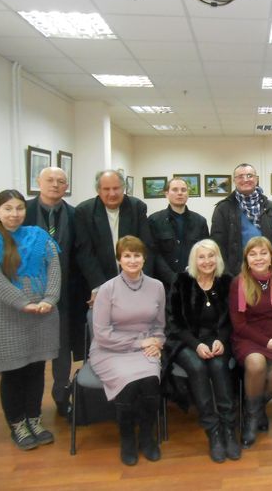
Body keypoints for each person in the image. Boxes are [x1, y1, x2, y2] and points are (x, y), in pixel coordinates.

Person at [0, 190, 60, 450]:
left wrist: (50, 298)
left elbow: (54, 268)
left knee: (36, 371)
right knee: (13, 374)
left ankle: (34, 420)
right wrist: (23, 303)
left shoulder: (39, 235)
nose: (14, 214)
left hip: (43, 315)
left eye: (19, 208)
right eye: (8, 208)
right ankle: (18, 425)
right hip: (7, 318)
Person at [90, 236, 165, 465]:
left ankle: (147, 437)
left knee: (151, 380)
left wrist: (157, 342)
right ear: (119, 259)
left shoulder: (157, 286)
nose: (132, 260)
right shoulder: (107, 289)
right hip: (109, 349)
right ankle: (127, 439)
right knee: (129, 383)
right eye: (127, 256)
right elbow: (102, 334)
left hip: (146, 346)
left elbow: (160, 326)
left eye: (137, 255)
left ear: (144, 258)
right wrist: (138, 343)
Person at [166, 239, 239, 463]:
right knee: (197, 367)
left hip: (218, 340)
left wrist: (221, 340)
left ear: (218, 258)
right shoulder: (181, 281)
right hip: (186, 340)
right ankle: (213, 431)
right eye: (201, 257)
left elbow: (233, 319)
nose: (207, 261)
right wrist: (195, 344)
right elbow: (174, 323)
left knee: (218, 365)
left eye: (211, 256)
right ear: (194, 260)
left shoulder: (227, 281)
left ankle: (229, 428)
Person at [24, 167, 85, 417]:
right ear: (38, 182)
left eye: (61, 181)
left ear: (66, 186)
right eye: (49, 180)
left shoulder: (75, 215)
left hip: (66, 294)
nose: (55, 185)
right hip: (29, 294)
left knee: (62, 349)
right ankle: (30, 407)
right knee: (32, 351)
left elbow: (82, 253)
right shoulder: (22, 211)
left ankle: (61, 397)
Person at [229, 236, 272, 448]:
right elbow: (239, 325)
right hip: (250, 339)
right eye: (253, 254)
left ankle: (254, 406)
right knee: (256, 363)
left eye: (263, 253)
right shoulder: (239, 282)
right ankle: (251, 419)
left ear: (271, 257)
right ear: (246, 259)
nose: (258, 258)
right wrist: (269, 343)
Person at [75, 170, 154, 306]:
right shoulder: (84, 211)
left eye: (116, 188)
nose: (112, 193)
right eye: (106, 189)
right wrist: (99, 286)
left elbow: (146, 247)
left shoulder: (137, 207)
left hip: (134, 278)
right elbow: (85, 252)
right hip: (100, 280)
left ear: (123, 188)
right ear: (98, 190)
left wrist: (139, 282)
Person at [210, 163, 272, 276]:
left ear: (256, 179)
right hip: (236, 273)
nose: (245, 179)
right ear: (234, 181)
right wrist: (227, 274)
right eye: (240, 176)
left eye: (249, 175)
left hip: (266, 270)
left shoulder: (271, 207)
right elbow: (217, 245)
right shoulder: (223, 208)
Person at [149, 177, 209, 288]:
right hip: (164, 283)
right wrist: (172, 278)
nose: (180, 193)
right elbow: (153, 253)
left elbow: (205, 252)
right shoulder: (154, 221)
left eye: (183, 190)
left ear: (188, 194)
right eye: (175, 190)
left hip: (194, 282)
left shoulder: (200, 221)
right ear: (166, 194)